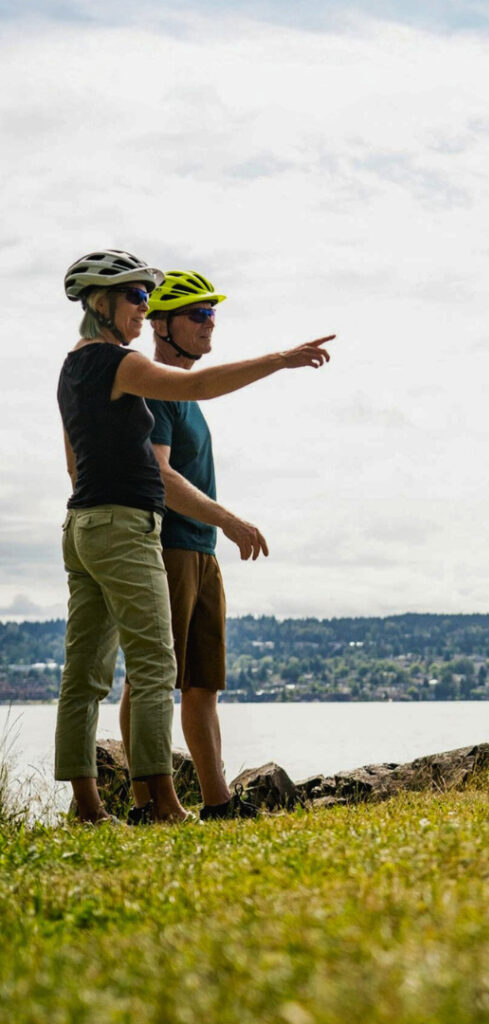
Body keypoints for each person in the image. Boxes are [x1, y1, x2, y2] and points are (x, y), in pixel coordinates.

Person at [57, 249, 332, 824]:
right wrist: (281, 359)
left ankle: (89, 808)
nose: (144, 307)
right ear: (102, 303)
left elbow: (74, 463)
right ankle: (160, 804)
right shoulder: (120, 363)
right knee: (155, 668)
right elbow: (200, 386)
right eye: (137, 297)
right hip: (126, 525)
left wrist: (95, 510)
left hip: (84, 521)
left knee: (84, 677)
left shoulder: (71, 366)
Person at [119, 271, 265, 820]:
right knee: (150, 678)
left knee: (202, 684)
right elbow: (161, 475)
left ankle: (218, 801)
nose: (210, 324)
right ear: (161, 325)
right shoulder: (157, 390)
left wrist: (217, 530)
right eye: (198, 314)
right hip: (171, 547)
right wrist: (229, 520)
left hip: (201, 551)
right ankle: (149, 804)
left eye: (212, 314)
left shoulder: (188, 398)